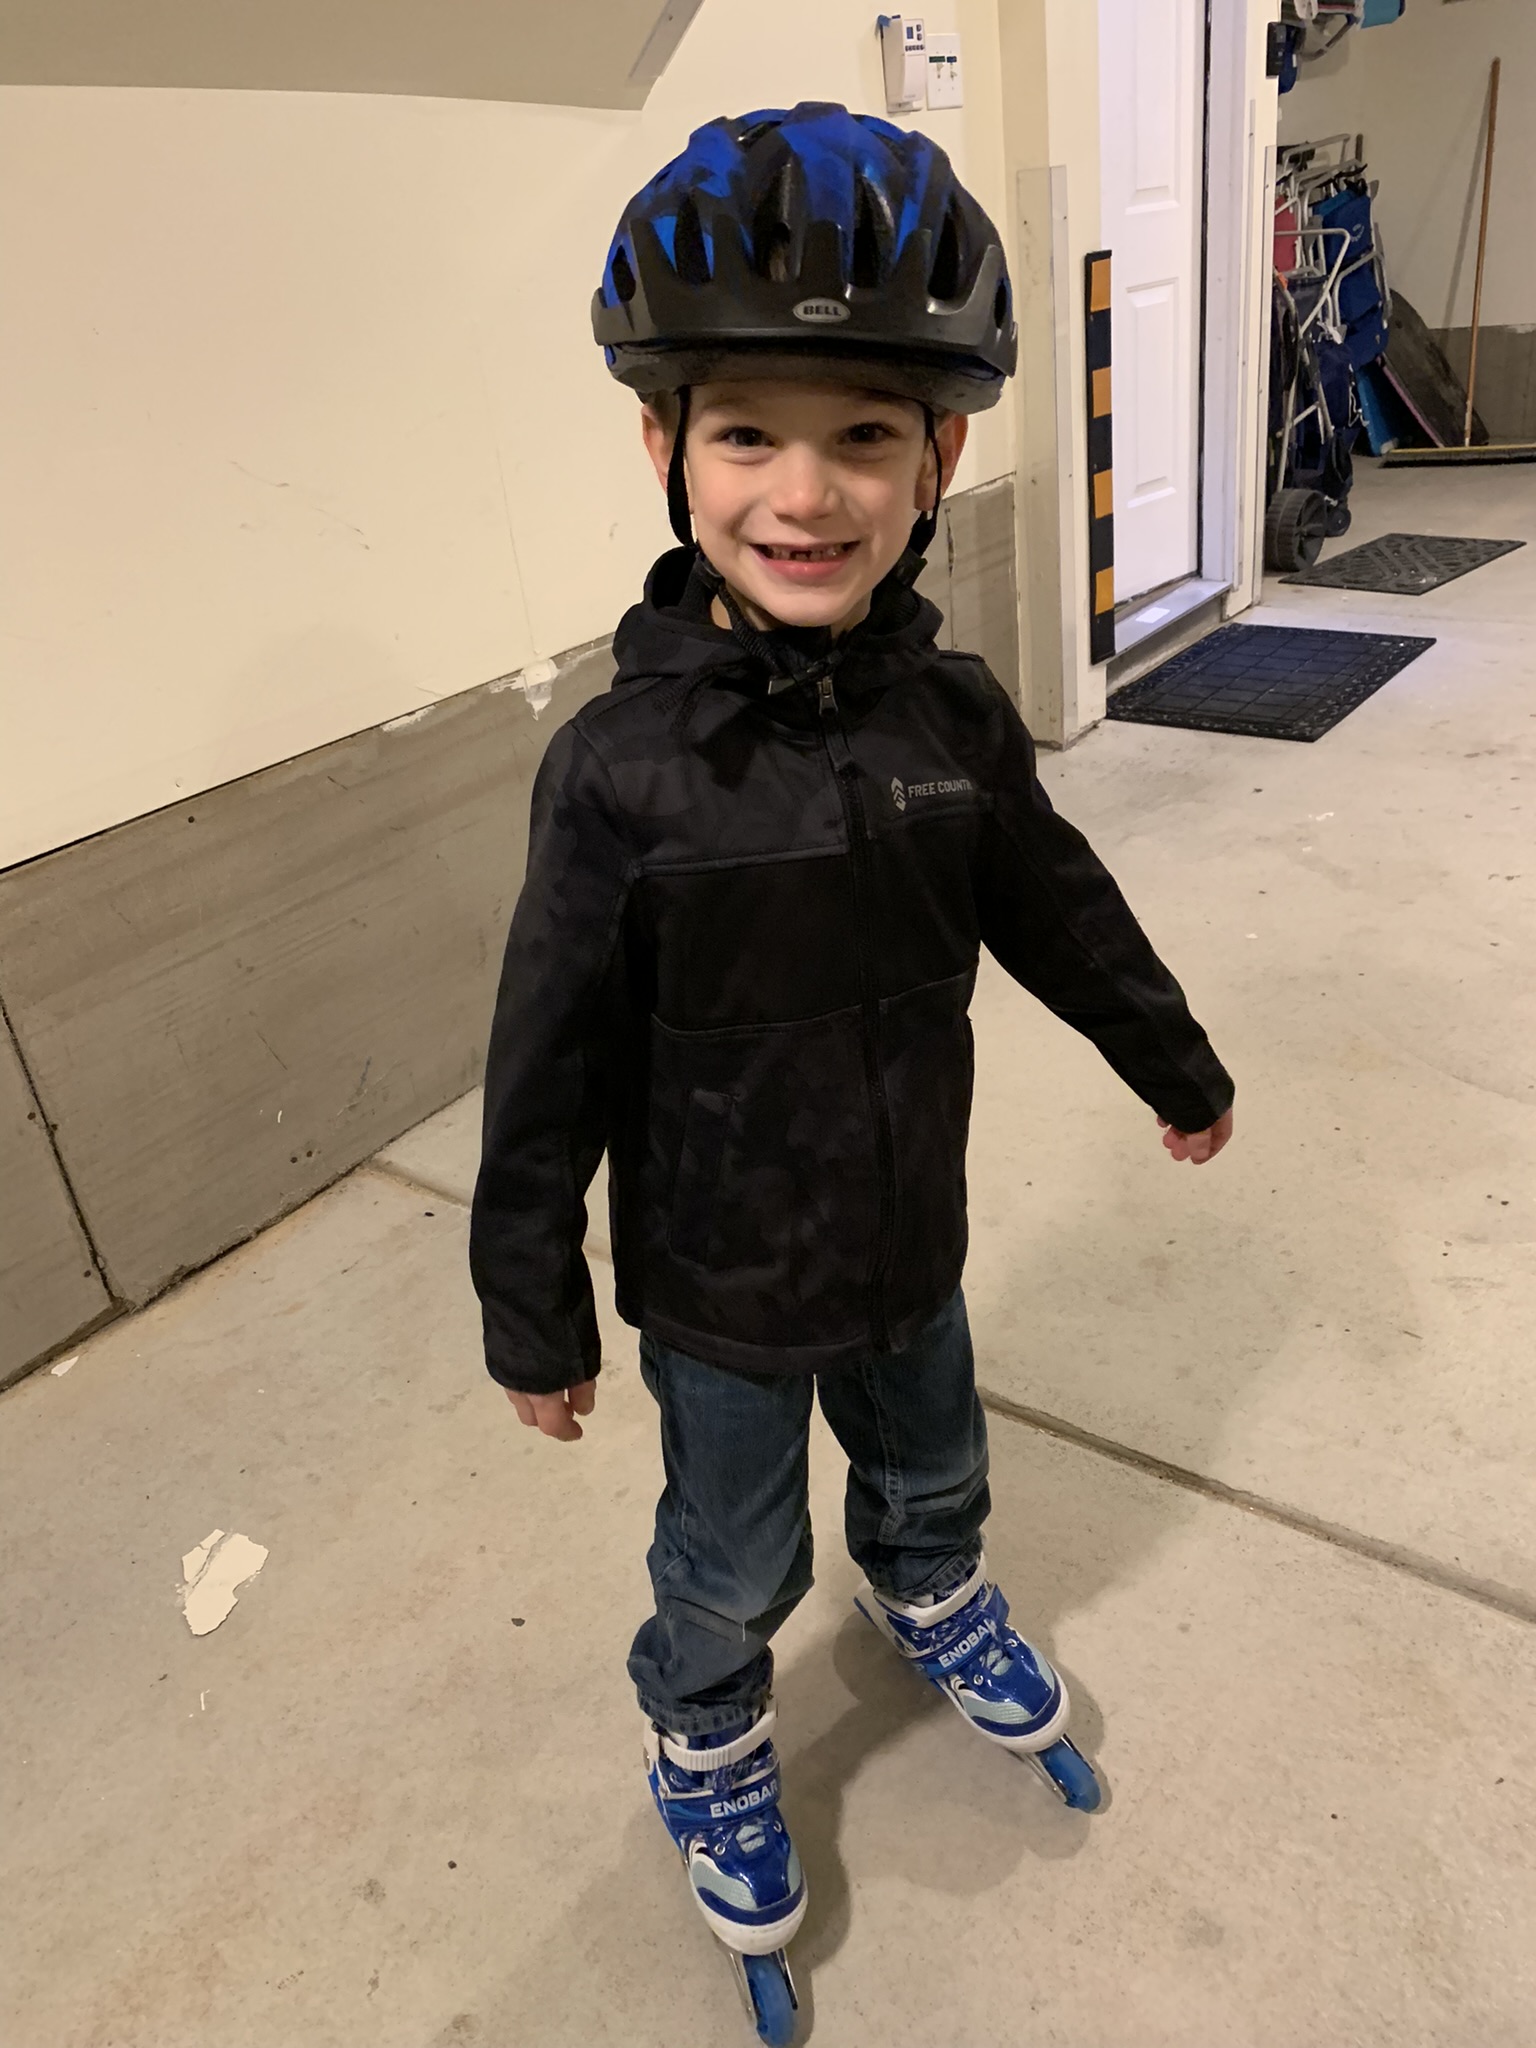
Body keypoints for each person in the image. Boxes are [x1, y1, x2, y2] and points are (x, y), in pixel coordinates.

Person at [470, 102, 1234, 1988]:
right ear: (663, 442)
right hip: (721, 1285)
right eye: (748, 432)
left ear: (941, 454)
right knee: (732, 1552)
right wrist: (531, 1306)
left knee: (932, 1464)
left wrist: (1174, 1061)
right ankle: (703, 1724)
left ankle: (929, 1587)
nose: (805, 495)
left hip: (910, 1236)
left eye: (866, 436)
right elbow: (547, 1059)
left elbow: (1058, 905)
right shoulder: (617, 772)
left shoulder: (949, 718)